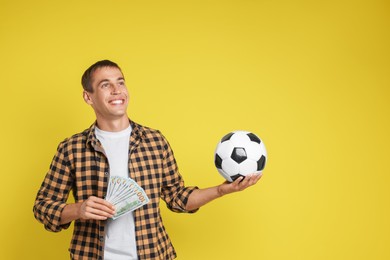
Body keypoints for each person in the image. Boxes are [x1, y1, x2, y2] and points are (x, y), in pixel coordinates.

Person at [33, 60, 262, 260]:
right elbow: (43, 207)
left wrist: (221, 191)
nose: (116, 90)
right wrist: (78, 209)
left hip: (153, 254)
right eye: (105, 85)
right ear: (88, 97)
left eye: (120, 82)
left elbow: (177, 197)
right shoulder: (71, 148)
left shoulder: (155, 141)